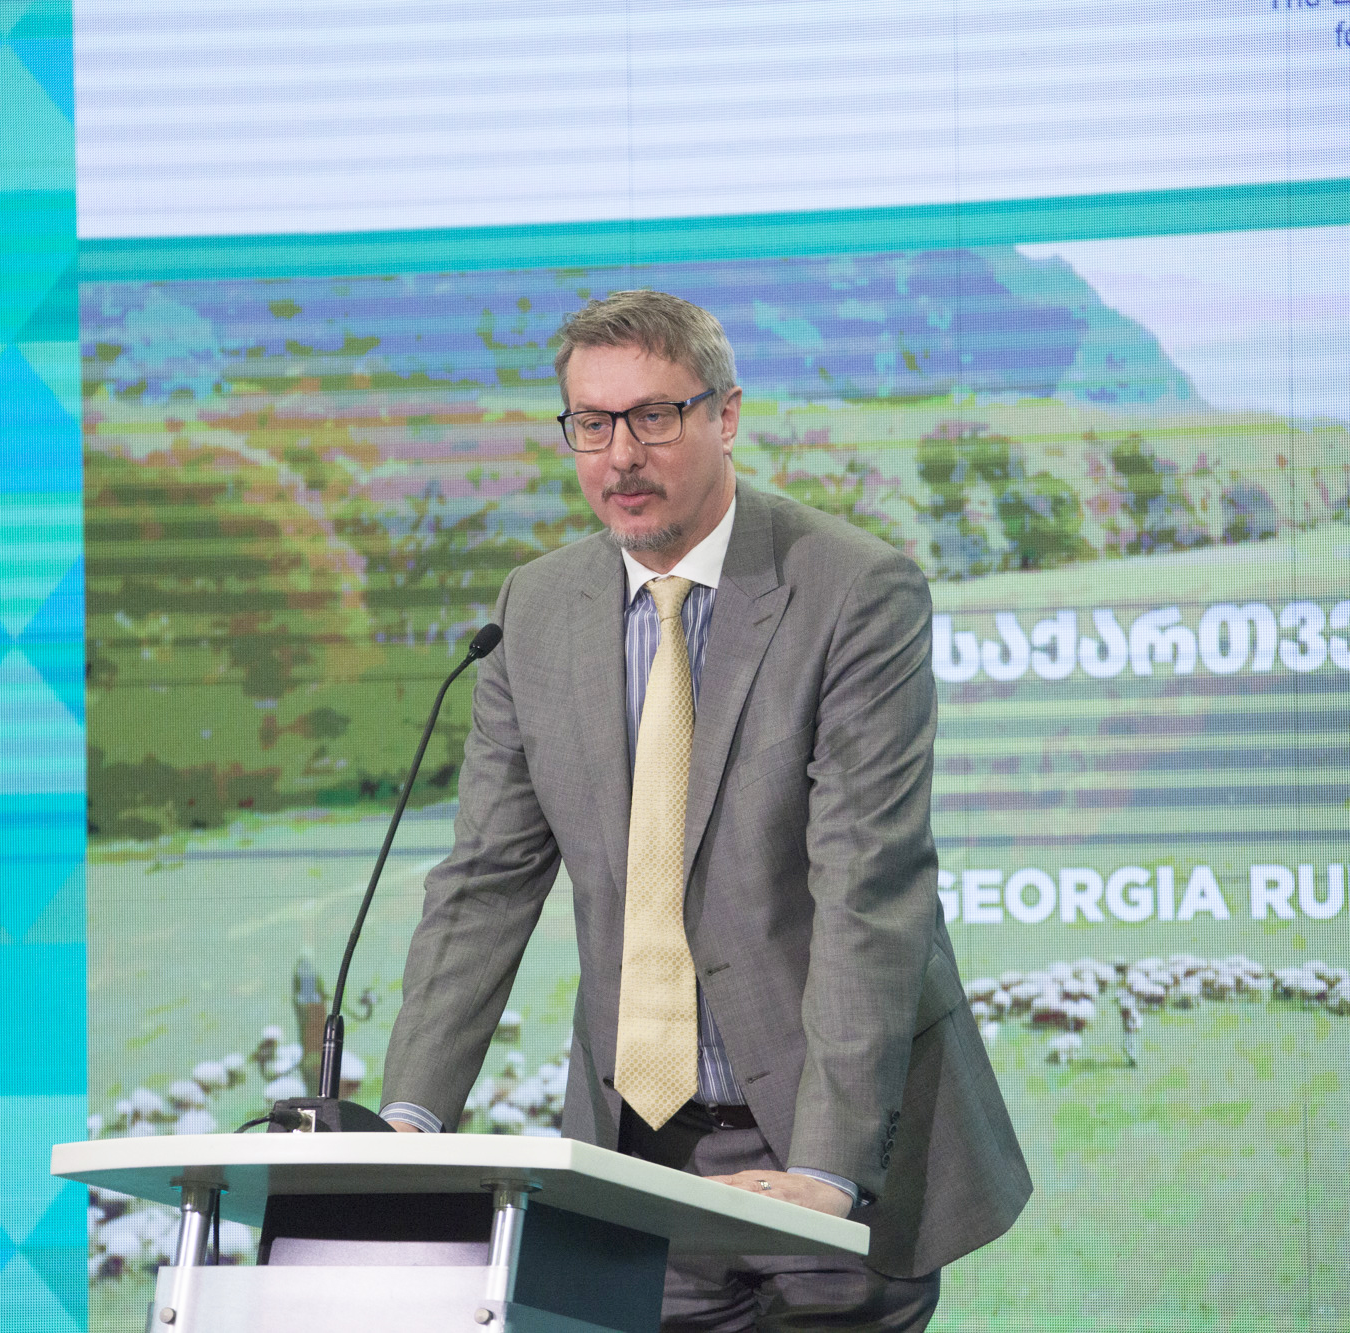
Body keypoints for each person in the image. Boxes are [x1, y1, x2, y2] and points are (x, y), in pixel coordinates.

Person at [379, 290, 1030, 1330]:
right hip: (631, 1164)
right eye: (591, 423)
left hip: (823, 1154)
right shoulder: (532, 611)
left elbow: (869, 890)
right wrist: (408, 1120)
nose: (620, 456)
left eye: (653, 416)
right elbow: (486, 881)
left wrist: (825, 1172)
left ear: (725, 415)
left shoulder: (853, 591)